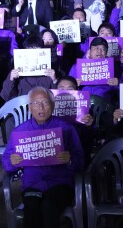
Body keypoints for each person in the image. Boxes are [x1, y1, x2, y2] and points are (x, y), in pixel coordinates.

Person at [2, 87, 84, 228]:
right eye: (36, 103)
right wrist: (12, 161)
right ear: (29, 108)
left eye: (45, 102)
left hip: (60, 183)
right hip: (33, 184)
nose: (41, 107)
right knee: (32, 209)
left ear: (52, 106)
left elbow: (80, 159)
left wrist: (69, 159)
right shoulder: (20, 132)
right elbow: (7, 162)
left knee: (49, 206)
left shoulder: (66, 128)